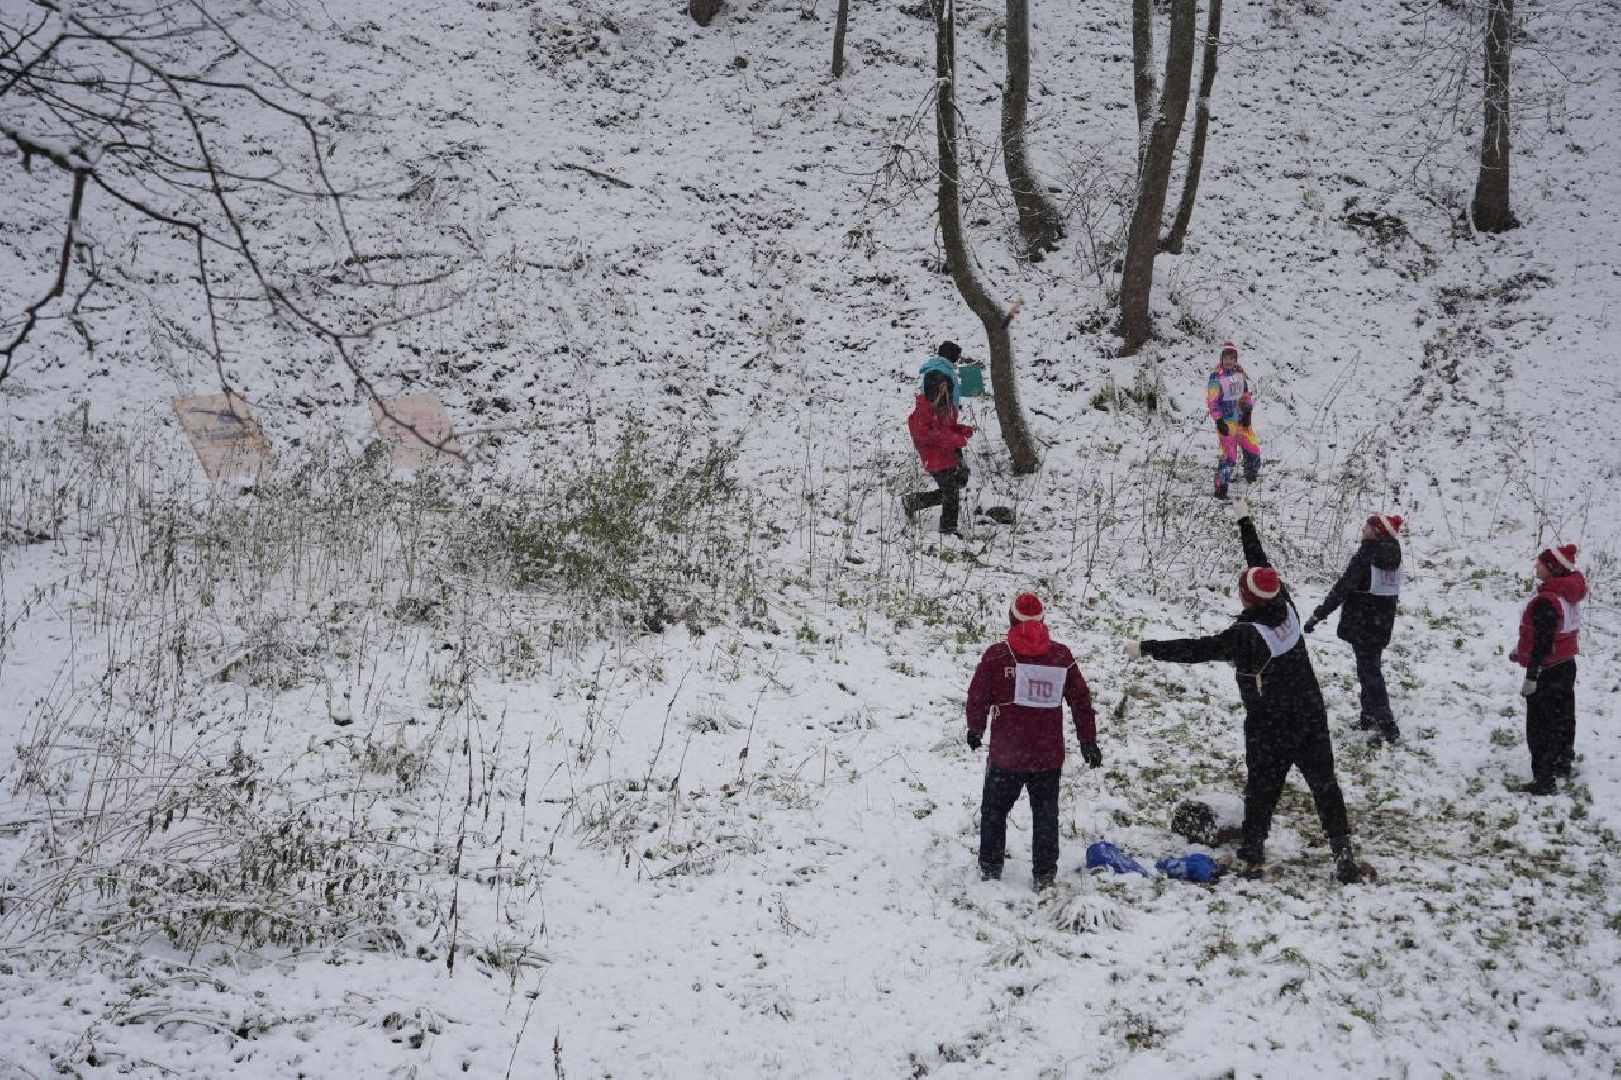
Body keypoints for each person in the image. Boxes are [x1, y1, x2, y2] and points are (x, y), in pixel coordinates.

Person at [1125, 500, 1363, 883]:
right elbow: (1260, 563)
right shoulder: (1284, 603)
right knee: (1324, 784)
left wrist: (1148, 648)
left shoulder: (1246, 636)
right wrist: (1244, 521)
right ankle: (1342, 851)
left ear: (1247, 598)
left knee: (1263, 785)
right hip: (1310, 711)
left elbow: (1197, 650)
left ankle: (1253, 849)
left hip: (1271, 722)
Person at [966, 592, 1101, 890]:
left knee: (994, 811)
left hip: (1006, 756)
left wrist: (975, 729)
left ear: (1011, 618)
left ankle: (990, 868)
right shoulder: (1061, 657)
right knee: (1045, 815)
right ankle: (1044, 874)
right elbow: (1080, 700)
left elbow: (978, 695)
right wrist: (1088, 741)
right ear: (1042, 620)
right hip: (1046, 755)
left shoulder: (996, 655)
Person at [1304, 513, 1405, 742]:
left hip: (1362, 622)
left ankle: (1387, 723)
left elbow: (1342, 588)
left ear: (1377, 531)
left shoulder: (1367, 554)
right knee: (1369, 668)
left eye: (1368, 527)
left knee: (1370, 673)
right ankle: (1368, 716)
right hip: (1382, 622)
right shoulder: (1394, 554)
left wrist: (1318, 615)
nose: (1363, 530)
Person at [1509, 543, 1587, 795]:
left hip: (1547, 670)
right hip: (1566, 664)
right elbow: (1556, 633)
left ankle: (1544, 779)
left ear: (1552, 568)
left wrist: (1532, 676)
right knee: (1562, 717)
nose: (1536, 567)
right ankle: (1562, 761)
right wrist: (1520, 650)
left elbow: (1542, 643)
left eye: (1540, 563)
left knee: (1539, 725)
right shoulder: (1567, 594)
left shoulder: (1547, 600)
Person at [903, 346, 974, 537]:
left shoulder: (946, 409)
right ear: (933, 392)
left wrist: (961, 429)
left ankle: (914, 502)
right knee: (951, 493)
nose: (947, 397)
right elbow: (927, 435)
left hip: (946, 455)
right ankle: (948, 531)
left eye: (948, 393)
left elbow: (946, 429)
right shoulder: (923, 411)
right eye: (943, 393)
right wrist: (952, 439)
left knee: (955, 486)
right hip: (934, 458)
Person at [1207, 342, 1261, 500]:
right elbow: (1212, 401)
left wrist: (1248, 411)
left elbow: (1245, 394)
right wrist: (1218, 420)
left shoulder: (1239, 372)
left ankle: (1251, 473)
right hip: (1226, 422)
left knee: (1253, 448)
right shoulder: (1216, 375)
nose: (1229, 361)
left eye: (1232, 358)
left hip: (1241, 419)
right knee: (1229, 456)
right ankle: (1220, 486)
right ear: (1221, 358)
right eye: (1226, 357)